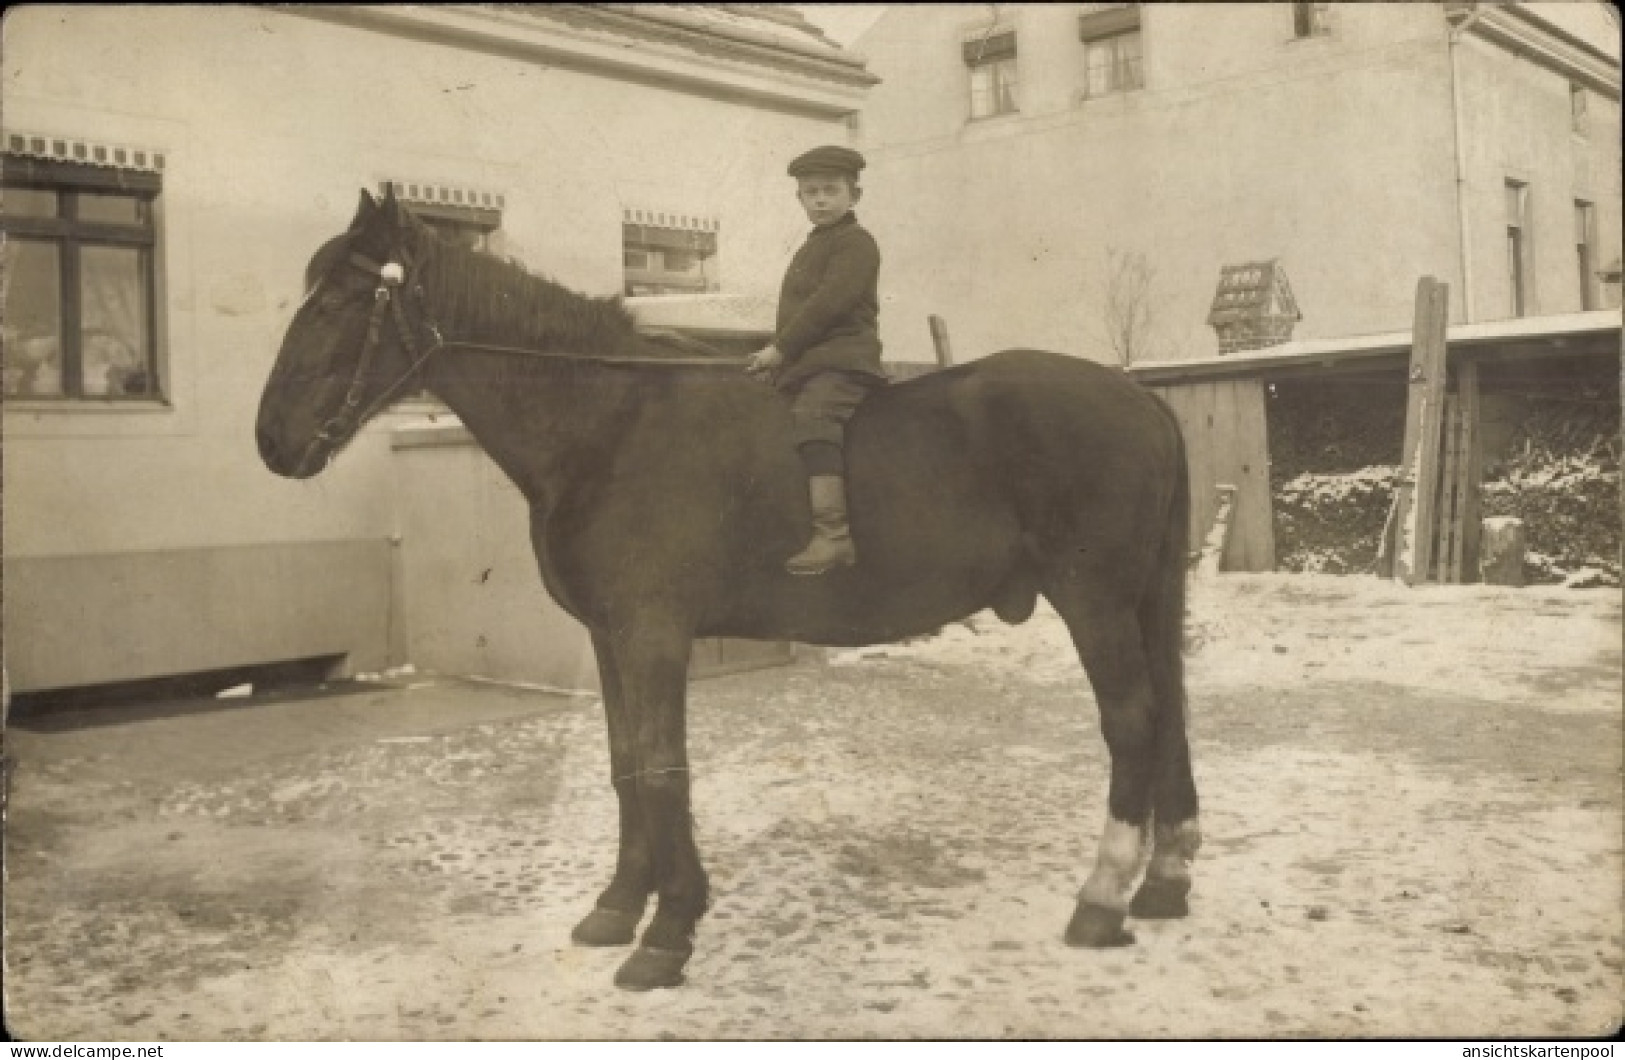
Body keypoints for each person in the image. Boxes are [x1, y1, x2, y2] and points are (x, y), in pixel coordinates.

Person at [747, 145, 888, 575]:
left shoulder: (857, 244)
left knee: (814, 414)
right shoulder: (813, 245)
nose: (821, 200)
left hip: (844, 360)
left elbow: (829, 305)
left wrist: (780, 349)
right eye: (811, 193)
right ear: (800, 199)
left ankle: (833, 534)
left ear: (855, 195)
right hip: (810, 361)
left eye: (831, 190)